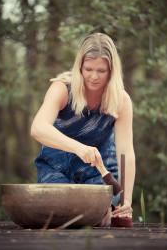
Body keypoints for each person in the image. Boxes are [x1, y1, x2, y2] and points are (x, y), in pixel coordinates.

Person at [31, 32, 135, 227]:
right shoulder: (62, 89)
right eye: (88, 69)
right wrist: (78, 148)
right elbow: (37, 128)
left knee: (96, 217)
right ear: (79, 66)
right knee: (63, 214)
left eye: (101, 71)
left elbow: (126, 153)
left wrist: (126, 200)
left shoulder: (121, 100)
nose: (94, 77)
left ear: (112, 71)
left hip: (99, 172)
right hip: (56, 167)